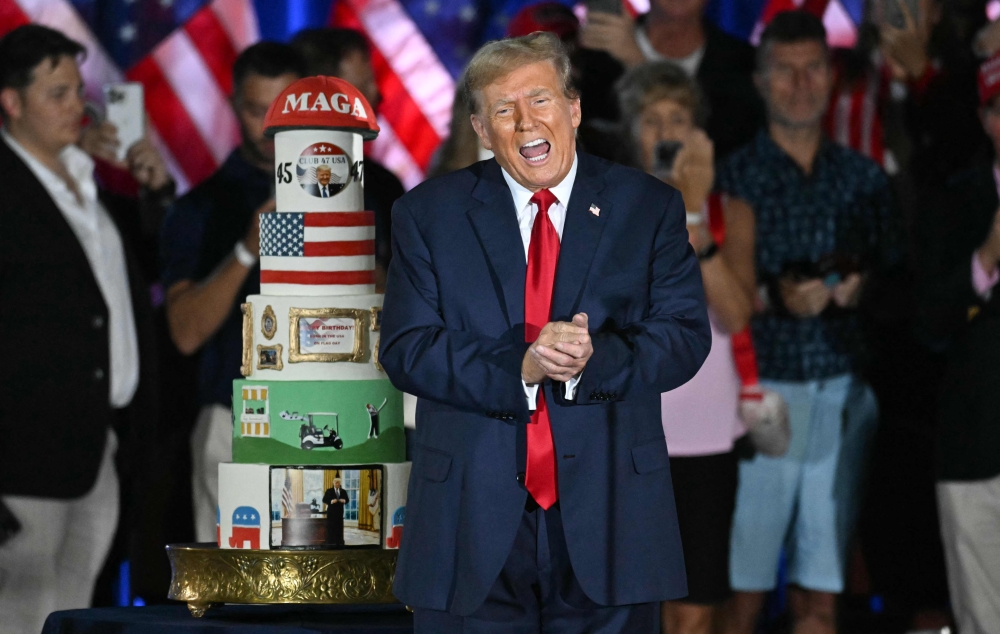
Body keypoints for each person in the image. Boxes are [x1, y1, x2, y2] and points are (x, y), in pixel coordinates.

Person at [380, 32, 711, 632]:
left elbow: (685, 335)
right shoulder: (427, 215)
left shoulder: (648, 208)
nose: (526, 123)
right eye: (504, 110)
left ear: (574, 108)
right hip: (468, 525)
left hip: (611, 518)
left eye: (541, 100)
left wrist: (594, 360)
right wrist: (522, 368)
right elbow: (407, 349)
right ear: (481, 129)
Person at [715, 12, 898, 634]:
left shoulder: (866, 179)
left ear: (831, 75)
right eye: (785, 71)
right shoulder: (731, 177)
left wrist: (861, 287)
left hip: (842, 394)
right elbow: (701, 293)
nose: (801, 84)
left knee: (821, 599)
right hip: (755, 401)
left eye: (813, 68)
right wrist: (773, 296)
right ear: (761, 81)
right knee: (740, 594)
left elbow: (903, 288)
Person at [0, 24, 165, 634]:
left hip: (101, 447)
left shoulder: (88, 186)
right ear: (11, 102)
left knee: (70, 611)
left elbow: (135, 287)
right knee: (18, 613)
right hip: (22, 457)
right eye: (58, 94)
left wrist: (152, 192)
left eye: (78, 91)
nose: (79, 107)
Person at [617, 60, 756, 634]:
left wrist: (695, 220)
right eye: (652, 120)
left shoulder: (732, 213)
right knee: (632, 603)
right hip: (630, 432)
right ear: (632, 133)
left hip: (705, 435)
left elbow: (738, 313)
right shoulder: (608, 210)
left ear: (699, 131)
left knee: (695, 607)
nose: (667, 132)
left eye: (679, 118)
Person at [161, 42, 305, 543]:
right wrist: (247, 248)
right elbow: (184, 333)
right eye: (254, 109)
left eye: (283, 107)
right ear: (231, 106)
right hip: (234, 414)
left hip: (333, 410)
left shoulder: (358, 193)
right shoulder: (200, 209)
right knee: (232, 594)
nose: (269, 126)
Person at [914, 52, 1000, 634]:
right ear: (986, 118)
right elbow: (928, 322)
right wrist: (986, 258)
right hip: (978, 449)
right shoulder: (954, 200)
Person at [291, 27, 405, 287]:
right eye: (362, 87)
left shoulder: (384, 186)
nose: (377, 95)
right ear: (320, 99)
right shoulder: (275, 187)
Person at [578, 0, 764, 159]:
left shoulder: (744, 63)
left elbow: (726, 144)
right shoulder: (602, 56)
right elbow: (588, 144)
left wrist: (638, 64)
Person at [323, 478, 350, 547]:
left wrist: (344, 501)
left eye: (338, 482)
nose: (337, 484)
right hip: (331, 513)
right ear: (333, 483)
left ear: (340, 483)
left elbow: (347, 500)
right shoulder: (329, 491)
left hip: (339, 513)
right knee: (331, 528)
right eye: (335, 482)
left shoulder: (343, 491)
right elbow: (324, 500)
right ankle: (331, 543)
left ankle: (339, 543)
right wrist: (331, 501)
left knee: (339, 528)